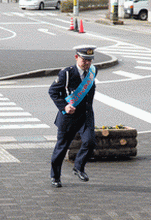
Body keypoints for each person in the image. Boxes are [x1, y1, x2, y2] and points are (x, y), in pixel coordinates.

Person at [48, 45, 98, 188]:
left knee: (90, 142)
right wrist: (64, 106)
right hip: (69, 117)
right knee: (61, 148)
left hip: (86, 115)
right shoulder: (67, 73)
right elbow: (52, 92)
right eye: (84, 60)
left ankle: (79, 167)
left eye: (90, 60)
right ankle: (55, 176)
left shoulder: (93, 72)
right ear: (76, 57)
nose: (87, 63)